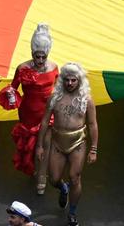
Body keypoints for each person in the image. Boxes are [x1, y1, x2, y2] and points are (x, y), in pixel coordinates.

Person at [37, 63, 96, 225]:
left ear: (79, 81)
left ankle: (72, 212)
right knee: (54, 179)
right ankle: (63, 188)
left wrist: (94, 149)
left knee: (75, 177)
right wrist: (40, 145)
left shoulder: (86, 100)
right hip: (57, 142)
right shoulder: (54, 97)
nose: (70, 83)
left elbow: (92, 125)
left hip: (78, 142)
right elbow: (44, 122)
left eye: (73, 80)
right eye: (67, 80)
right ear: (62, 80)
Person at [9, 25, 59, 177]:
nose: (41, 60)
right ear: (32, 53)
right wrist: (11, 96)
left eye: (44, 56)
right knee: (29, 144)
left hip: (47, 111)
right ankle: (32, 167)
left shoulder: (54, 67)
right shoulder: (22, 68)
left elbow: (58, 87)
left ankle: (42, 176)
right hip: (28, 112)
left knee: (45, 142)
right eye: (37, 56)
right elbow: (13, 88)